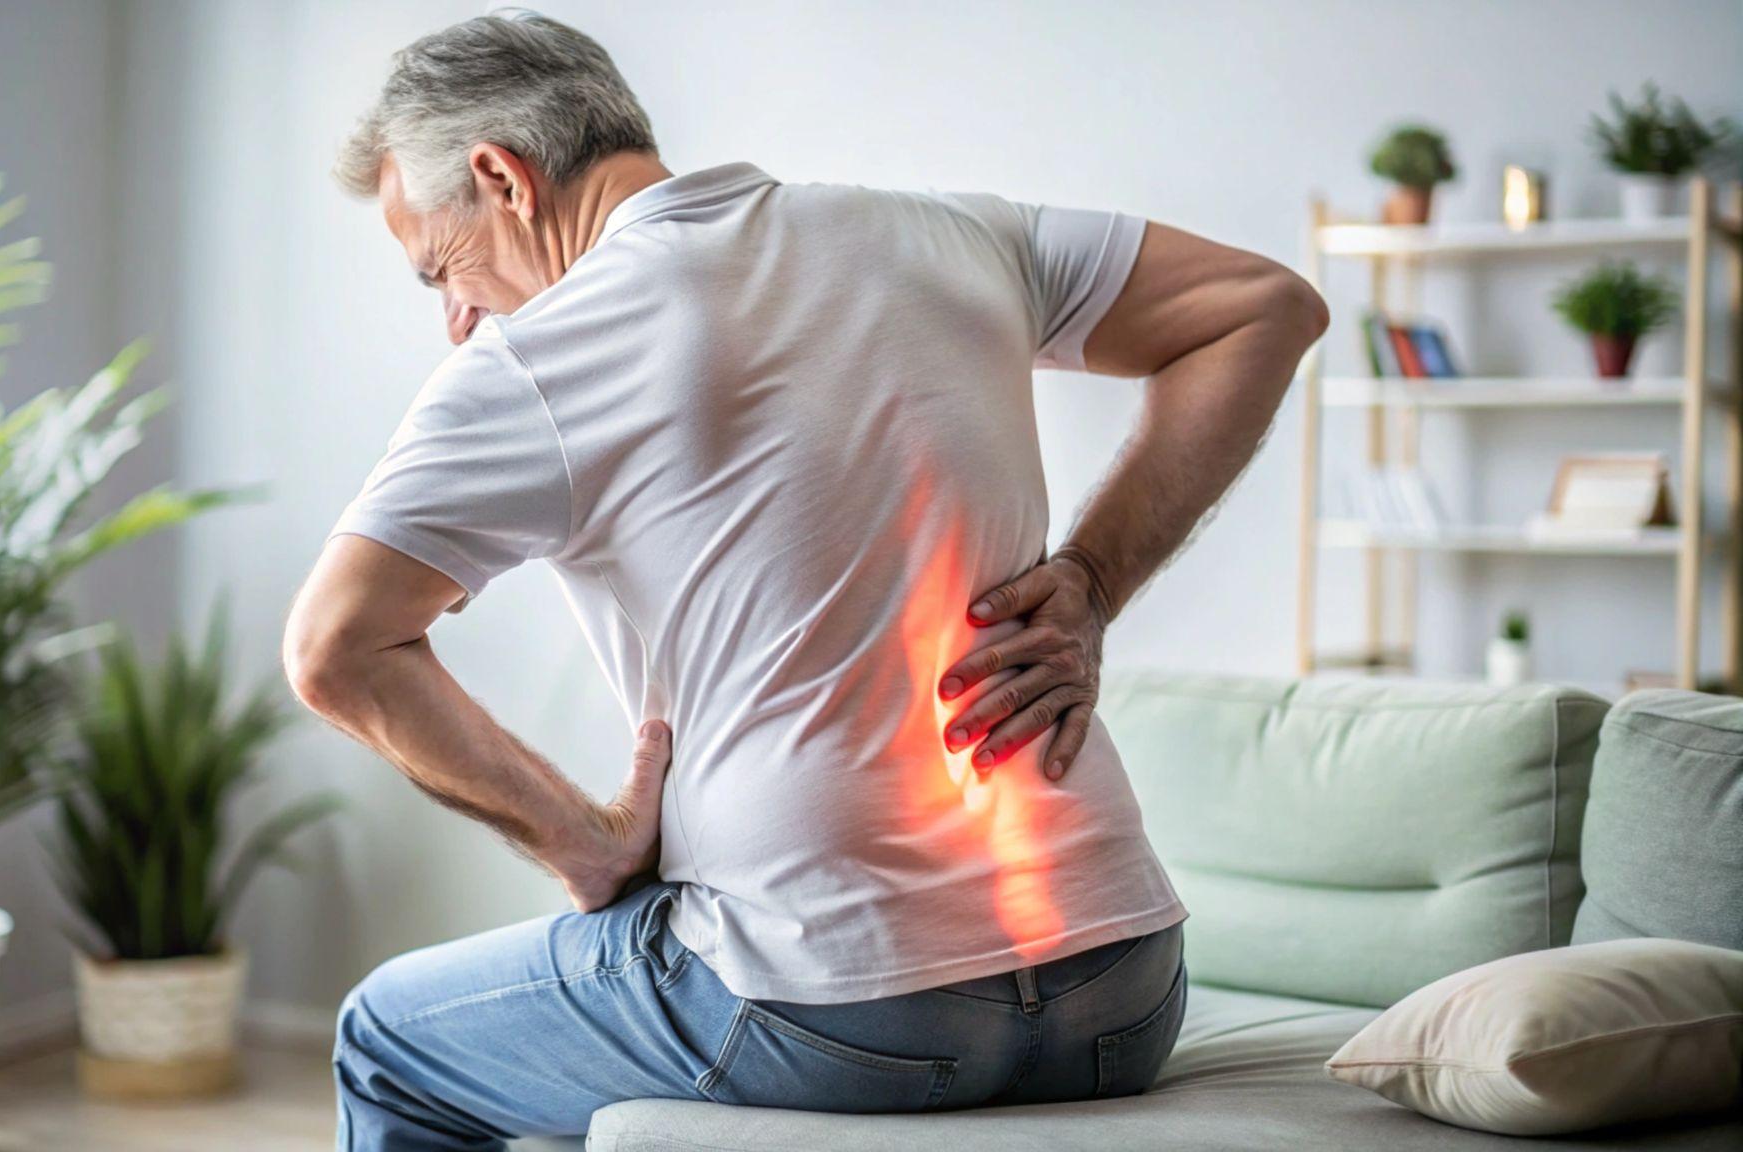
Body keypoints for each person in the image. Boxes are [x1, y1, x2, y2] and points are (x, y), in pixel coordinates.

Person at [283, 11, 1326, 1151]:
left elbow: (334, 648)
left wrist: (575, 838)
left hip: (831, 1010)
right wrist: (1091, 579)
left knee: (388, 1034)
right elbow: (1259, 307)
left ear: (501, 177)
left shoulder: (538, 356)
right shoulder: (946, 234)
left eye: (443, 265)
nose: (456, 318)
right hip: (1121, 989)